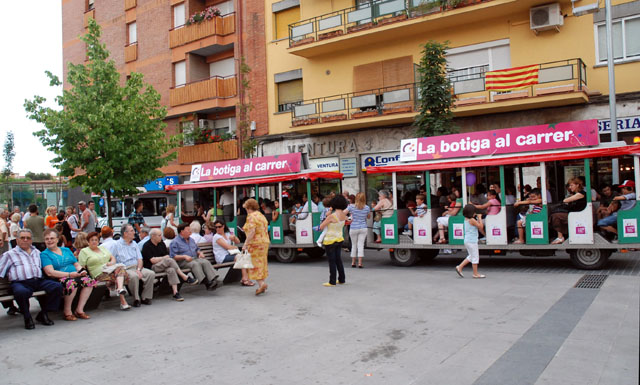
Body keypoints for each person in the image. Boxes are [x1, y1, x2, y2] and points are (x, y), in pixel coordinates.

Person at [0, 229, 63, 329]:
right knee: (21, 292)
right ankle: (27, 317)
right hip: (20, 283)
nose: (25, 240)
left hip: (38, 281)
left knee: (57, 287)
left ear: (31, 240)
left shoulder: (37, 252)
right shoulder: (9, 254)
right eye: (22, 238)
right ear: (17, 240)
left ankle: (44, 313)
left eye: (28, 238)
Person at [40, 229, 96, 321]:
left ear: (57, 239)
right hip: (58, 278)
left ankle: (79, 310)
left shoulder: (66, 250)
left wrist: (81, 270)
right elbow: (50, 272)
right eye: (47, 239)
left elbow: (76, 264)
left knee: (89, 281)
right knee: (71, 283)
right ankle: (67, 311)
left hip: (74, 274)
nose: (49, 241)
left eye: (52, 238)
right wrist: (70, 274)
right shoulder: (44, 254)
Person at [78, 231, 131, 310]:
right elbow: (82, 267)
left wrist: (111, 262)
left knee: (120, 270)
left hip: (110, 269)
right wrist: (88, 278)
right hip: (98, 273)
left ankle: (120, 290)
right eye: (92, 240)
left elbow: (112, 257)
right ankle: (122, 299)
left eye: (96, 240)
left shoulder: (102, 248)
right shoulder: (84, 251)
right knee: (120, 275)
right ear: (88, 241)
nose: (94, 242)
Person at [142, 228, 197, 302]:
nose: (161, 237)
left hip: (164, 265)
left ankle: (175, 292)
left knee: (171, 269)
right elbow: (152, 260)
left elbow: (166, 256)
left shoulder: (162, 244)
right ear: (153, 236)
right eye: (159, 235)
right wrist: (163, 258)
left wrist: (161, 258)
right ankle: (184, 277)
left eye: (161, 235)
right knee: (169, 260)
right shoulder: (147, 245)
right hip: (153, 267)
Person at [111, 224, 156, 306]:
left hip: (136, 266)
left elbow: (140, 259)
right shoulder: (116, 245)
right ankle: (136, 298)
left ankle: (145, 297)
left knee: (150, 273)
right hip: (125, 268)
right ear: (125, 233)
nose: (134, 232)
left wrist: (138, 269)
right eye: (132, 231)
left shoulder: (134, 243)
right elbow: (112, 258)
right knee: (134, 276)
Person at [170, 223, 219, 291]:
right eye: (188, 230)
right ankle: (206, 283)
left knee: (205, 261)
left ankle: (213, 279)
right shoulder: (175, 242)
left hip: (194, 258)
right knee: (195, 264)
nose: (190, 231)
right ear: (182, 231)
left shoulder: (191, 240)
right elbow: (173, 256)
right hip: (183, 262)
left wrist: (200, 253)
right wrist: (184, 256)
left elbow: (197, 249)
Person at [241, 199, 270, 295]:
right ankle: (262, 283)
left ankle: (261, 284)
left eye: (246, 208)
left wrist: (245, 244)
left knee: (254, 264)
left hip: (255, 243)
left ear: (249, 208)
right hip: (264, 242)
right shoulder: (261, 215)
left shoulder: (251, 216)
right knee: (262, 263)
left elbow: (252, 231)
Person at [211, 219, 251, 285]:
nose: (217, 229)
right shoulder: (216, 236)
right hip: (221, 257)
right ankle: (244, 279)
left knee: (245, 256)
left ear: (223, 226)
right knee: (240, 257)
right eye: (216, 227)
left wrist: (234, 237)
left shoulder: (227, 234)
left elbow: (238, 242)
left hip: (229, 255)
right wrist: (235, 247)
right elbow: (227, 247)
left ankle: (246, 278)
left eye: (219, 227)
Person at [320, 195, 348, 287]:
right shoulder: (344, 215)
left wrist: (327, 216)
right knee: (338, 260)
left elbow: (321, 227)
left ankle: (332, 281)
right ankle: (342, 279)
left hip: (330, 240)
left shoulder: (331, 216)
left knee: (332, 261)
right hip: (339, 238)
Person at [550, 177, 586, 244]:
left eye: (571, 185)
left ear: (577, 185)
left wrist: (567, 198)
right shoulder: (575, 194)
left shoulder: (581, 194)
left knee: (556, 216)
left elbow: (565, 200)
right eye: (569, 185)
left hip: (579, 216)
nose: (570, 187)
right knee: (555, 214)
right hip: (574, 214)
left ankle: (560, 237)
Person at [455, 204, 485, 279]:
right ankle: (475, 273)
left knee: (471, 256)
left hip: (468, 240)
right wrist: (480, 218)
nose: (475, 213)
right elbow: (480, 226)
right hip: (472, 241)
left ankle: (459, 267)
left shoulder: (466, 219)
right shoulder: (472, 220)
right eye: (474, 212)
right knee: (475, 257)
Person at [345, 192, 370, 268]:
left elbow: (343, 213)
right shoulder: (367, 207)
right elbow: (368, 217)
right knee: (361, 245)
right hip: (363, 228)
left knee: (354, 245)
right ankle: (360, 263)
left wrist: (348, 219)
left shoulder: (351, 207)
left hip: (353, 228)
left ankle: (353, 262)